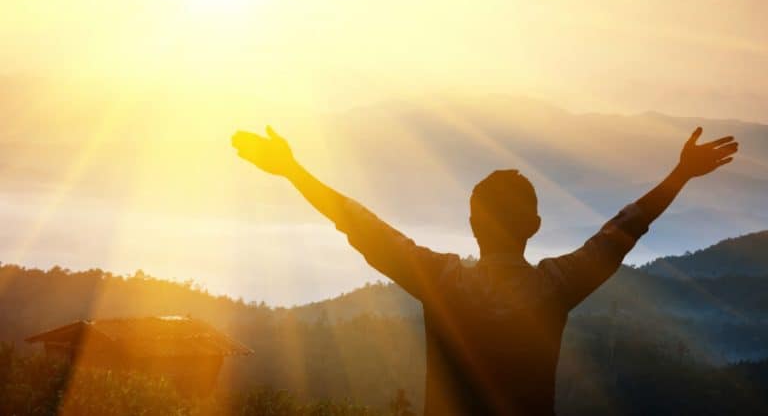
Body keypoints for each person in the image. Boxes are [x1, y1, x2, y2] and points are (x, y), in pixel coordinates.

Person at [231, 125, 737, 416]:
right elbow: (622, 231)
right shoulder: (554, 288)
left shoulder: (441, 281)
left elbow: (360, 223)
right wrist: (680, 174)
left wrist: (293, 170)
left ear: (472, 223)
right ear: (535, 225)